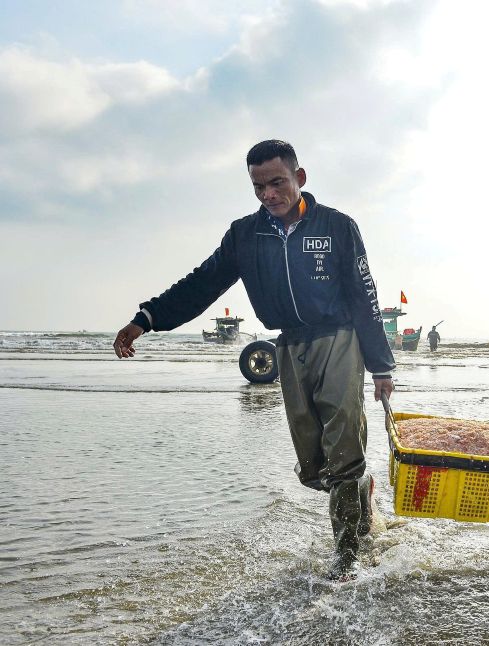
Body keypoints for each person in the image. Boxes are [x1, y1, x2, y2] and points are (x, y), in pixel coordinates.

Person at [112, 140, 396, 577]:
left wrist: (380, 365)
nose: (268, 194)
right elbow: (202, 283)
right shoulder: (245, 235)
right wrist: (146, 319)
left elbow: (365, 296)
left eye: (277, 182)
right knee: (314, 467)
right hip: (289, 345)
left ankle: (348, 562)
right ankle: (360, 491)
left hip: (340, 339)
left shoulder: (337, 226)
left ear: (299, 178)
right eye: (258, 186)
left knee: (343, 455)